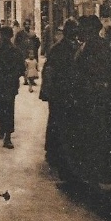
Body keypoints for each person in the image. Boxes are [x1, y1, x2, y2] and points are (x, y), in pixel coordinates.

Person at [67, 15, 111, 187]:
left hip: (95, 102)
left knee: (95, 139)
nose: (78, 31)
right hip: (96, 101)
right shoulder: (96, 47)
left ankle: (93, 177)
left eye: (81, 28)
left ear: (89, 30)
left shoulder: (94, 49)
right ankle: (95, 175)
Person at [39, 18, 79, 175]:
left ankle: (55, 152)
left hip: (63, 91)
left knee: (58, 121)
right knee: (58, 121)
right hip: (62, 91)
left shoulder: (59, 48)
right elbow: (49, 71)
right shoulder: (64, 49)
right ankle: (55, 152)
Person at [0, 26, 25, 149]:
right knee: (6, 108)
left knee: (1, 107)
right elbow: (22, 68)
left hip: (0, 84)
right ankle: (4, 130)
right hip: (8, 84)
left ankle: (6, 134)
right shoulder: (14, 50)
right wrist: (14, 76)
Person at [14, 20, 41, 84]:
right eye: (26, 24)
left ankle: (32, 80)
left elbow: (37, 42)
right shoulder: (20, 33)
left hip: (31, 52)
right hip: (23, 52)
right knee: (25, 66)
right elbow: (16, 42)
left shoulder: (33, 33)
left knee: (32, 66)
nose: (27, 26)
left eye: (28, 24)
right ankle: (26, 79)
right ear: (24, 26)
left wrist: (35, 48)